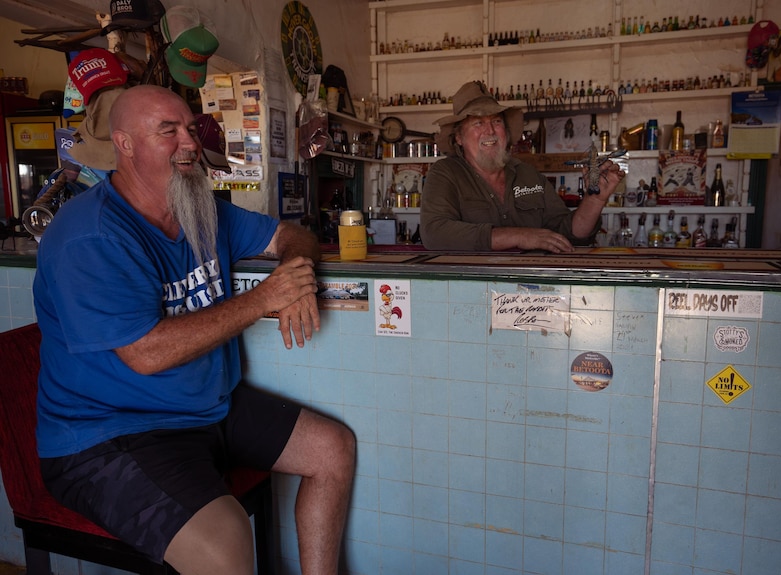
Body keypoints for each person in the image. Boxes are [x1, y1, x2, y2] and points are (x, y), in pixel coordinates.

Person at [32, 84, 355, 575]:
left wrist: (298, 275)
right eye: (169, 131)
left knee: (333, 449)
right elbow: (145, 354)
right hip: (108, 436)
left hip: (204, 408)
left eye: (190, 127)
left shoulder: (200, 208)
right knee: (225, 546)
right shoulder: (90, 235)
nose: (189, 142)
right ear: (124, 144)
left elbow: (292, 234)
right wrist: (268, 297)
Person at [420, 81, 623, 252]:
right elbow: (434, 234)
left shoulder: (528, 175)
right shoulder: (445, 173)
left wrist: (594, 200)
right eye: (478, 123)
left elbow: (569, 234)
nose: (489, 130)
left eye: (496, 121)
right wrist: (519, 235)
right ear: (459, 137)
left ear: (506, 132)